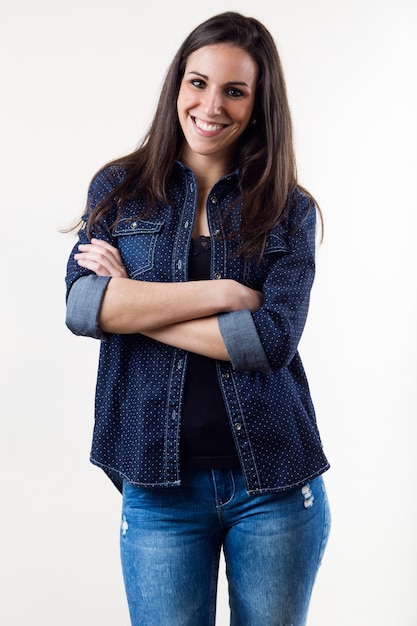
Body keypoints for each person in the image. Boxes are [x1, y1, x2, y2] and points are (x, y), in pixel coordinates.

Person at [65, 11, 330, 626]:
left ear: (259, 105)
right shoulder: (120, 188)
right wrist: (226, 294)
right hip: (156, 486)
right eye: (198, 82)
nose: (212, 105)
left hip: (274, 485)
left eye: (235, 90)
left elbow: (268, 342)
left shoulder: (290, 209)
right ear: (177, 87)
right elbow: (82, 308)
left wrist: (128, 302)